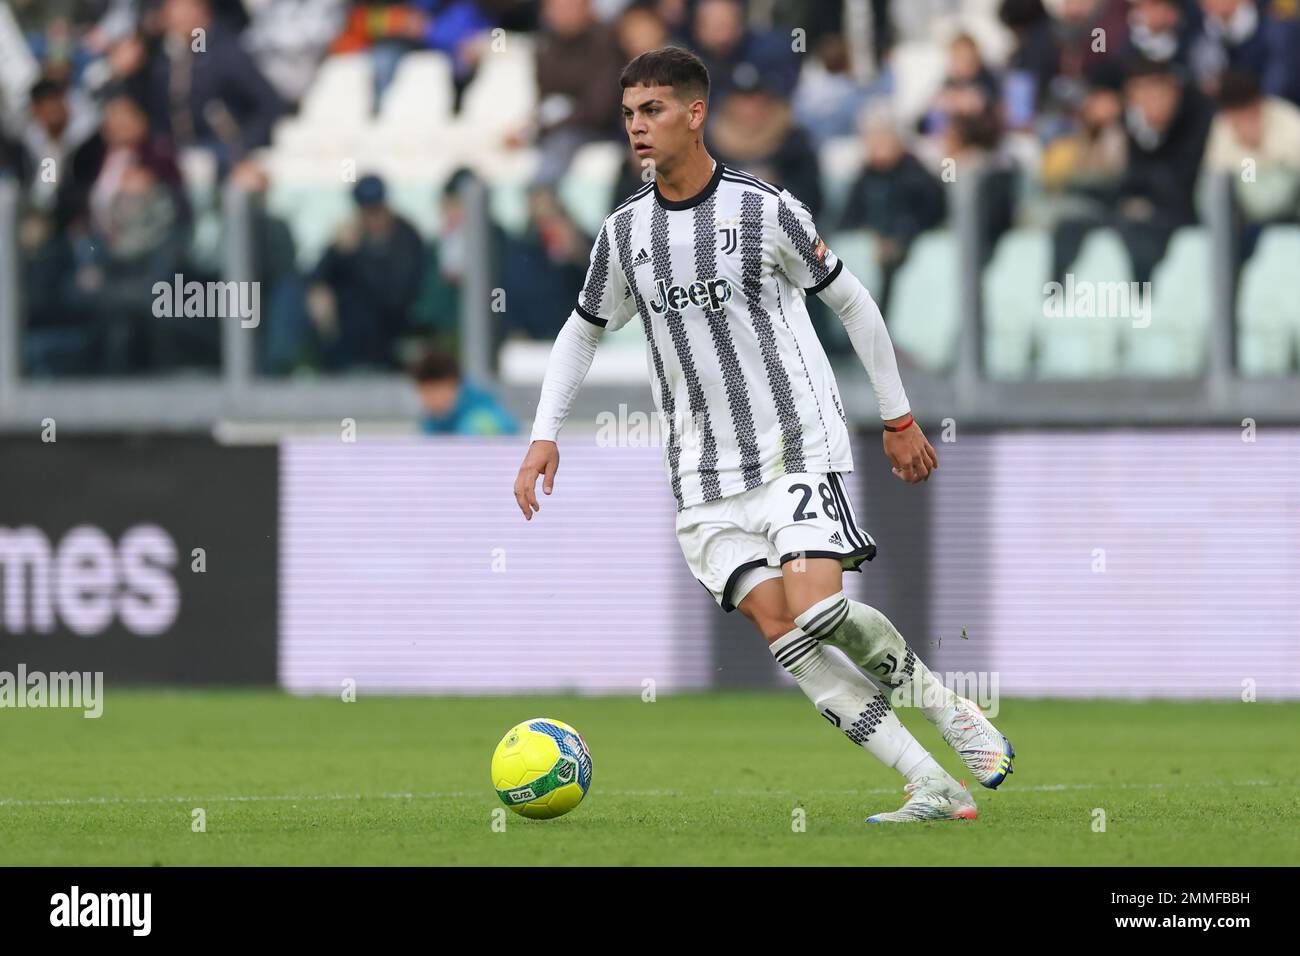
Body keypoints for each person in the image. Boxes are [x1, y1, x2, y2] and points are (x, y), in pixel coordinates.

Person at [512, 46, 1015, 824]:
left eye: (652, 110)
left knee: (817, 611)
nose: (637, 126)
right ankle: (931, 784)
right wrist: (545, 434)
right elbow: (583, 331)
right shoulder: (624, 232)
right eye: (629, 113)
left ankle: (947, 708)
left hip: (794, 447)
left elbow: (853, 303)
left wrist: (898, 416)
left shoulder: (764, 209)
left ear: (695, 114)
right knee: (785, 633)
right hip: (703, 477)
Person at [413, 352, 517, 435]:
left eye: (431, 392)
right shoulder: (432, 422)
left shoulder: (482, 418)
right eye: (423, 393)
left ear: (451, 385)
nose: (428, 400)